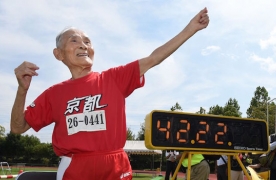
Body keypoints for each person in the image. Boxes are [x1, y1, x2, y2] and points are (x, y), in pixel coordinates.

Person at [10, 7, 210, 180]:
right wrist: (22, 90)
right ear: (59, 54)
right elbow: (18, 127)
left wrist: (191, 29)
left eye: (87, 41)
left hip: (116, 165)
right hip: (75, 168)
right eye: (74, 40)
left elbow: (153, 58)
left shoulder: (113, 79)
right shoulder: (54, 94)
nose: (83, 45)